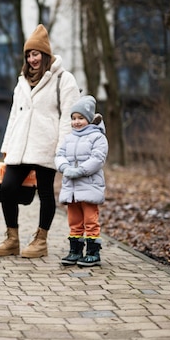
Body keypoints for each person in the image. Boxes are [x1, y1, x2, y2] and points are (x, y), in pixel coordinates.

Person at [0, 24, 82, 258]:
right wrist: (7, 145)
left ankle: (41, 240)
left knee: (44, 193)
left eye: (36, 54)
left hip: (47, 145)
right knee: (7, 188)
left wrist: (63, 148)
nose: (32, 59)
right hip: (20, 146)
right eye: (29, 54)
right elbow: (14, 115)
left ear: (46, 54)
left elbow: (68, 116)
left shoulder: (64, 78)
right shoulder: (21, 81)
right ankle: (12, 238)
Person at [55, 95, 108, 266]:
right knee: (74, 220)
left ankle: (93, 252)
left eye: (81, 118)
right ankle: (75, 250)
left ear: (90, 119)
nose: (77, 122)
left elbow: (98, 158)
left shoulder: (98, 137)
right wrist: (65, 168)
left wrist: (81, 170)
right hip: (71, 187)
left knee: (90, 220)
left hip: (89, 185)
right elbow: (60, 155)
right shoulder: (69, 138)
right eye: (74, 118)